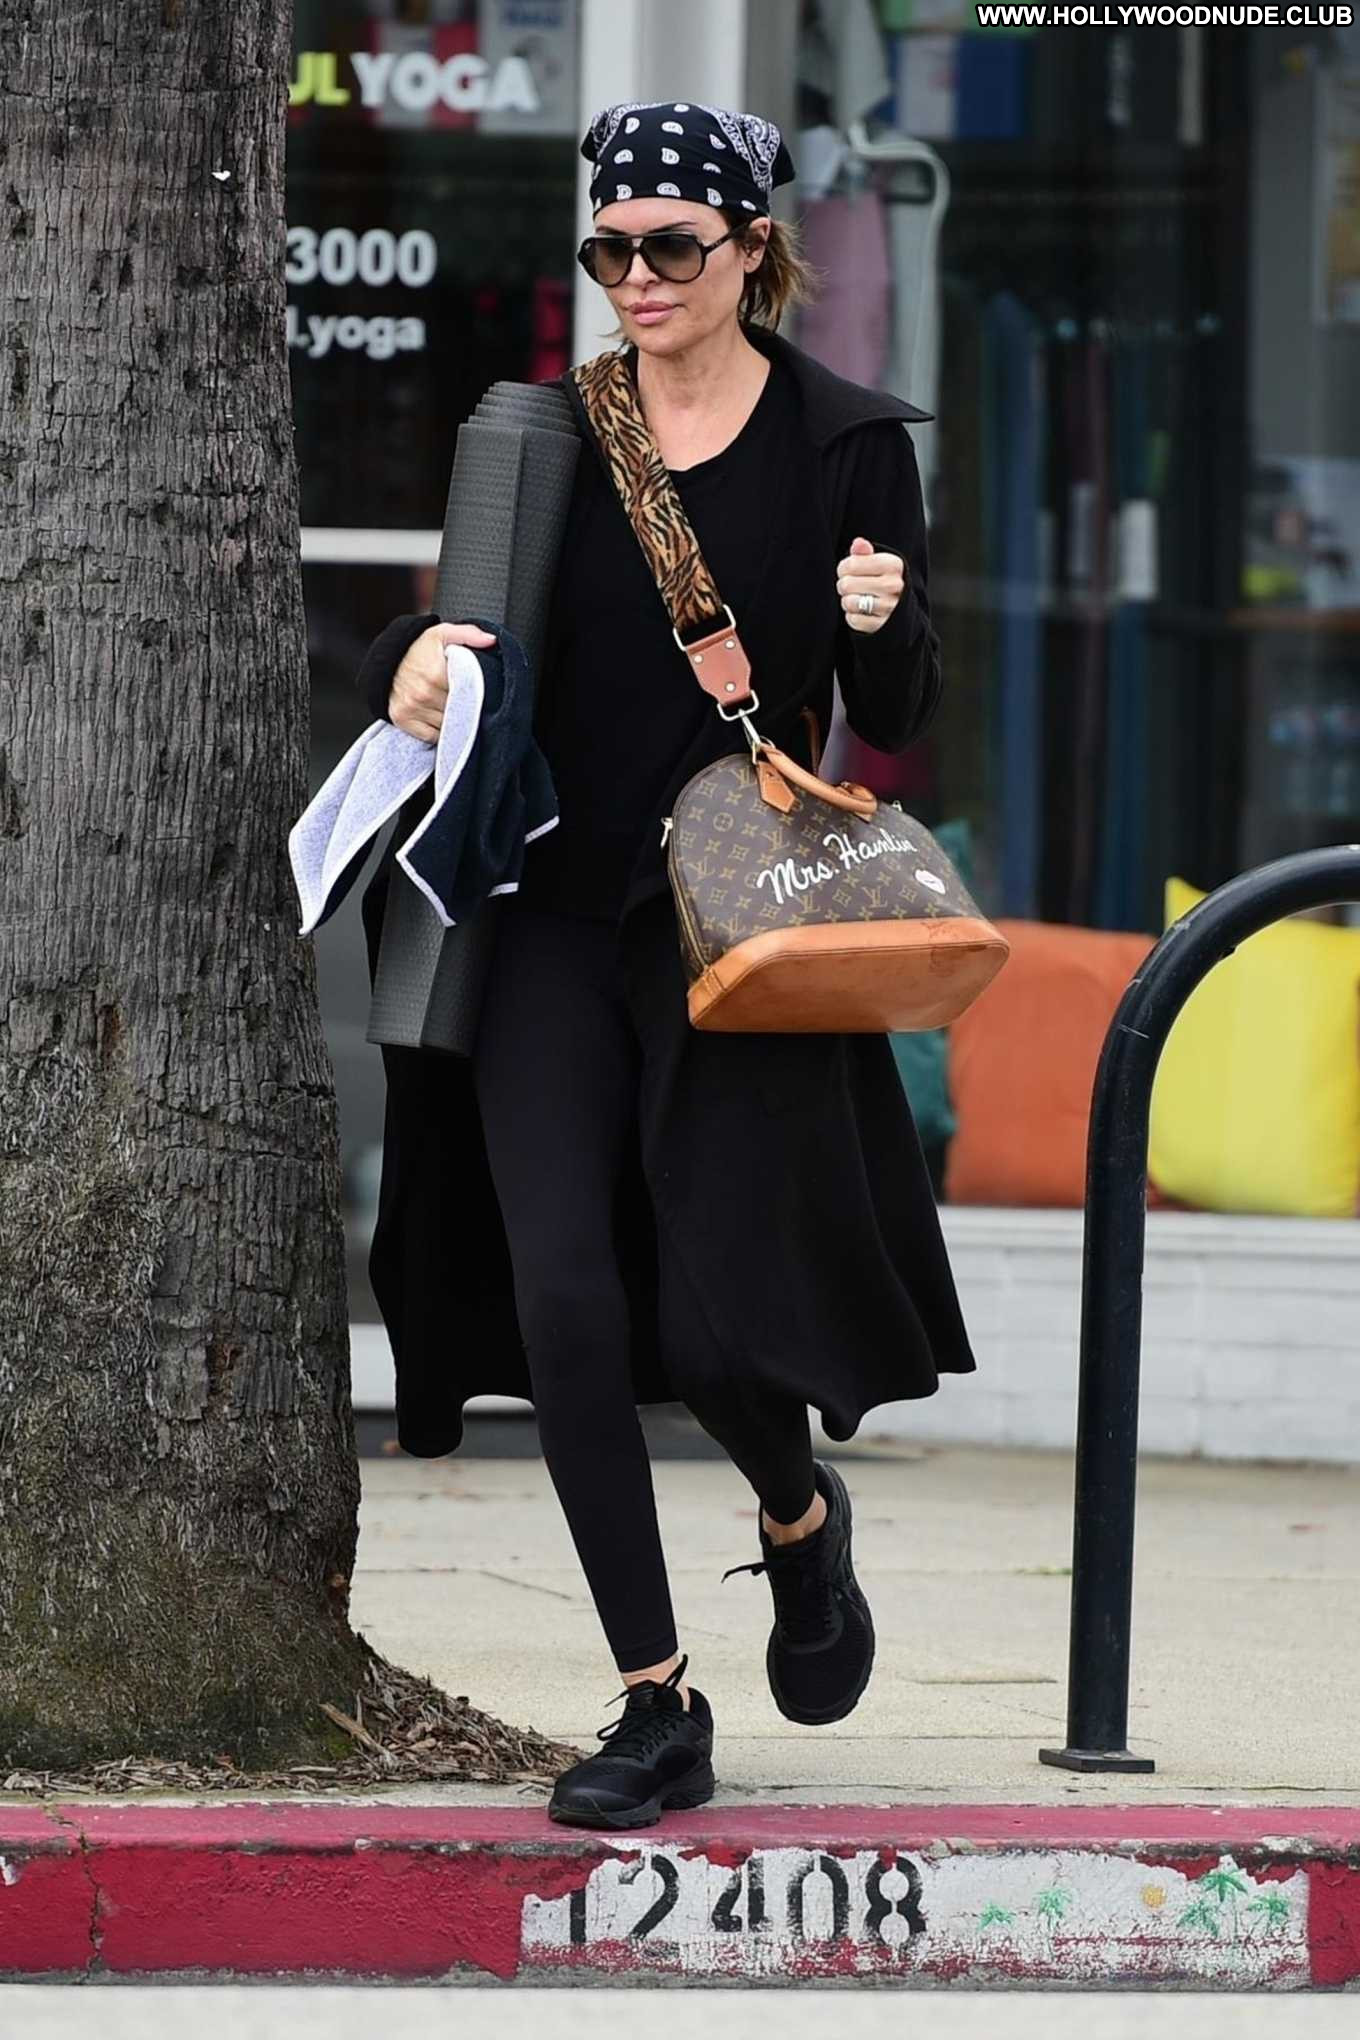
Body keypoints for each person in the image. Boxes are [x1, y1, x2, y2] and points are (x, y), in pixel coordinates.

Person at [352, 99, 977, 1831]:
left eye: (672, 246)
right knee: (564, 1298)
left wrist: (883, 623)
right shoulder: (544, 431)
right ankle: (655, 1699)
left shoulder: (848, 445)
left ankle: (798, 1518)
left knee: (715, 1327)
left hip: (733, 933)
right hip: (545, 915)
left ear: (751, 251)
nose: (637, 276)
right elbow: (462, 630)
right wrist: (407, 661)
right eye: (611, 248)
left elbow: (898, 710)